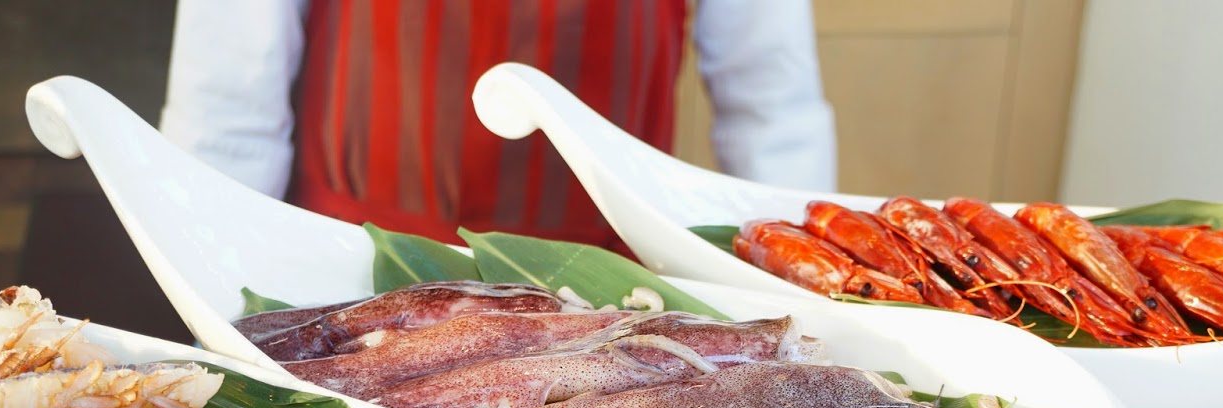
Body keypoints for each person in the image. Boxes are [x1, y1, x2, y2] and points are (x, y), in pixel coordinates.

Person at [158, 0, 836, 248]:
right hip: (342, 274)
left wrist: (807, 297)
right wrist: (205, 301)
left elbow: (771, 110)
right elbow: (229, 105)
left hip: (608, 306)